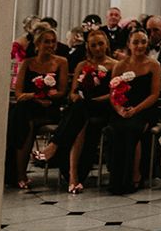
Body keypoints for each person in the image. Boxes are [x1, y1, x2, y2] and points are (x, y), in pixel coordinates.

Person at [37, 28, 116, 193]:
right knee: (80, 114)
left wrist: (91, 101)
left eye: (101, 44)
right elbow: (72, 92)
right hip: (83, 109)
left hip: (103, 107)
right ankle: (74, 176)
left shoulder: (114, 65)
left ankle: (54, 146)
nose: (98, 48)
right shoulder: (82, 65)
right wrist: (76, 97)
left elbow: (112, 94)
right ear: (88, 47)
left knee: (79, 111)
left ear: (106, 44)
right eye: (94, 45)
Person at [6, 28, 69, 189]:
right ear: (38, 44)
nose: (50, 45)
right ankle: (20, 174)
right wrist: (35, 97)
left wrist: (49, 95)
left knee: (21, 116)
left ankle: (18, 174)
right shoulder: (28, 63)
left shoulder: (61, 62)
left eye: (53, 42)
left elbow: (61, 92)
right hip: (30, 105)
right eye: (46, 41)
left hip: (49, 108)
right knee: (23, 116)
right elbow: (19, 93)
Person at [107, 29, 161, 195]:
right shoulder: (120, 66)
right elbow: (112, 94)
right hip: (123, 108)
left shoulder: (154, 65)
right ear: (129, 45)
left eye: (143, 42)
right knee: (117, 128)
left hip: (145, 109)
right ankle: (117, 178)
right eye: (136, 42)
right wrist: (120, 109)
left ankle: (134, 175)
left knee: (132, 128)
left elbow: (154, 94)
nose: (139, 46)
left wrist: (136, 110)